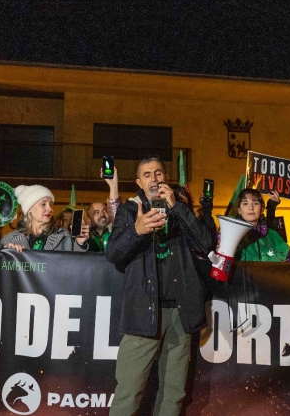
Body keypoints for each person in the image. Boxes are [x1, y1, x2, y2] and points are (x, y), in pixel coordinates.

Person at [106, 156, 212, 416]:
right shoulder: (130, 212)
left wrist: (178, 208)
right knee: (129, 391)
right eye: (147, 174)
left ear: (165, 178)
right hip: (144, 313)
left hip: (181, 312)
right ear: (139, 182)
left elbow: (206, 244)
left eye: (159, 173)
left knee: (173, 392)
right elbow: (113, 254)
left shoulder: (179, 209)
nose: (154, 178)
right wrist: (137, 230)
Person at [1, 185, 89, 252]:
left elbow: (75, 265)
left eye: (50, 204)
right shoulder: (9, 239)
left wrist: (80, 243)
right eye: (43, 204)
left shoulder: (63, 235)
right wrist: (7, 253)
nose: (50, 209)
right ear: (29, 208)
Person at [233, 188, 290, 262]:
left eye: (255, 203)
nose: (251, 208)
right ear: (239, 209)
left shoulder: (272, 235)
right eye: (245, 203)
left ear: (261, 209)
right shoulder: (231, 235)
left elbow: (285, 269)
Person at [86, 166, 122, 252]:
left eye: (104, 210)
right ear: (89, 220)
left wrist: (113, 186)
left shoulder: (116, 232)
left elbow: (116, 211)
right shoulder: (85, 237)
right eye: (96, 212)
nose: (102, 214)